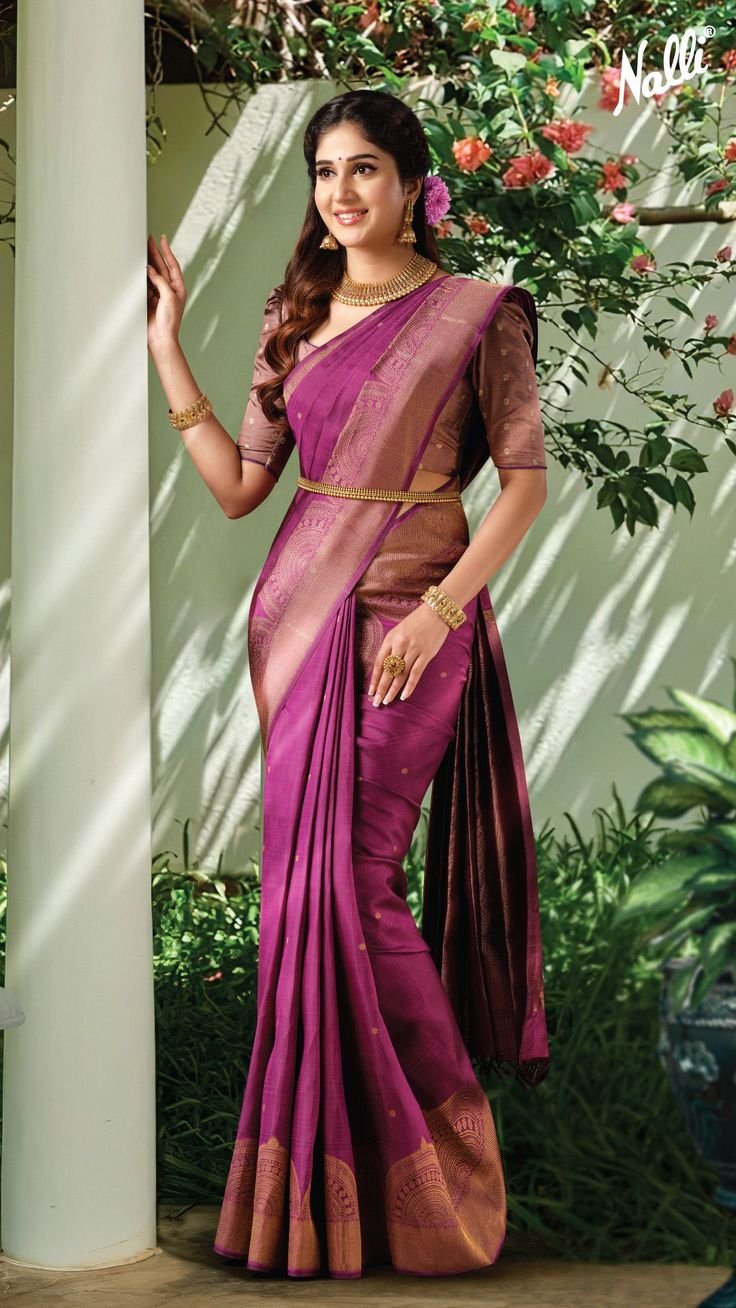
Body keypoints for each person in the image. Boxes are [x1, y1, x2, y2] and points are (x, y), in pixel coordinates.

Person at [147, 87, 550, 1281]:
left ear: (413, 183)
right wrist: (166, 349)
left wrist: (440, 610)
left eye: (363, 168)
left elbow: (523, 485)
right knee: (300, 903)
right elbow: (240, 487)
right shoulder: (298, 313)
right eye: (325, 172)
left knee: (353, 889)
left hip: (411, 620)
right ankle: (341, 1196)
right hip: (296, 625)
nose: (340, 192)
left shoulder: (475, 316)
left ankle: (447, 1163)